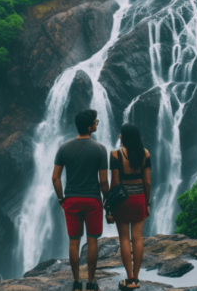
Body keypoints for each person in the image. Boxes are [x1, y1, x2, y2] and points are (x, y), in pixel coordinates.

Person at [52, 109, 109, 291]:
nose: (96, 124)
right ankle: (91, 283)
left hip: (72, 200)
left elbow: (55, 177)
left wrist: (61, 199)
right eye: (95, 122)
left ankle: (77, 283)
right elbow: (104, 181)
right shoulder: (100, 149)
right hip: (93, 201)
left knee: (74, 241)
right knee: (92, 241)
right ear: (89, 126)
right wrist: (107, 202)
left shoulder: (64, 147)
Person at [108, 123, 151, 290]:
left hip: (122, 201)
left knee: (124, 239)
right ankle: (137, 278)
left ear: (123, 136)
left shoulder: (115, 154)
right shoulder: (145, 153)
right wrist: (147, 203)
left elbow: (114, 183)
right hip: (139, 198)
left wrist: (110, 208)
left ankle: (130, 279)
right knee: (138, 238)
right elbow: (147, 182)